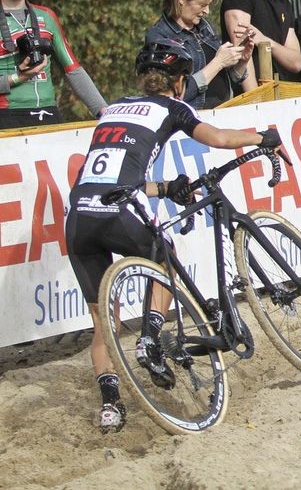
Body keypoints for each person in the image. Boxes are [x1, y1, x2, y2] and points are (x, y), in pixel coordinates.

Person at [64, 39, 280, 431]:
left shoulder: (112, 110)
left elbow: (113, 175)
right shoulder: (172, 106)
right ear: (179, 82)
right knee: (165, 254)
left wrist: (164, 189)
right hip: (117, 210)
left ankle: (111, 405)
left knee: (103, 325)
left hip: (79, 215)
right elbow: (216, 138)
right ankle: (149, 337)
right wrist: (261, 137)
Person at [0, 0, 107, 128]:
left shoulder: (47, 16)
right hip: (6, 116)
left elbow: (73, 71)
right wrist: (17, 77)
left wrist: (104, 111)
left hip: (47, 113)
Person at [144, 0, 252, 109]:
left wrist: (241, 61)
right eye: (202, 5)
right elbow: (170, 96)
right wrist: (218, 62)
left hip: (224, 112)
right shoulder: (159, 37)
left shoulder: (204, 27)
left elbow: (226, 79)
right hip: (193, 121)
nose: (207, 11)